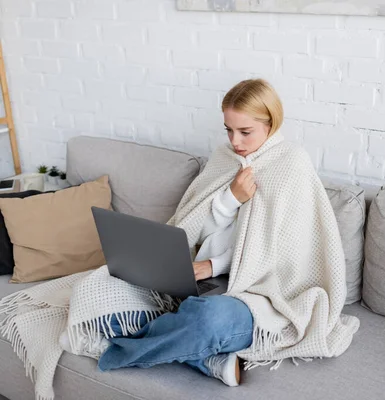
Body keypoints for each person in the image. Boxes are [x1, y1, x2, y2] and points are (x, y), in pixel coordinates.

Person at [98, 79, 284, 387]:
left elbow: (279, 254)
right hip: (201, 279)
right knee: (105, 288)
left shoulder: (290, 166)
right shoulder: (225, 160)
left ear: (271, 123)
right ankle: (206, 359)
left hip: (254, 295)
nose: (235, 141)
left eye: (245, 132)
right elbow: (196, 230)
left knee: (207, 320)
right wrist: (230, 200)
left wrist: (213, 266)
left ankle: (114, 350)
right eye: (228, 129)